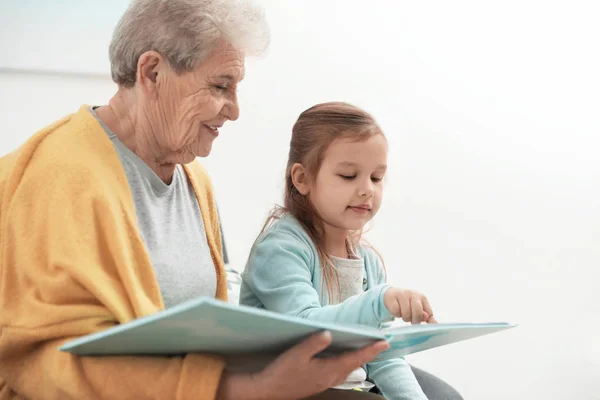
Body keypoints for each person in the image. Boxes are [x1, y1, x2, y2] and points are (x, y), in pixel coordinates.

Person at [0, 1, 390, 399]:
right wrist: (241, 390)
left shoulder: (193, 179)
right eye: (221, 86)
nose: (235, 110)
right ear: (152, 72)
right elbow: (43, 360)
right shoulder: (59, 175)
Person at [240, 102, 437, 399]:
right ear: (302, 179)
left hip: (346, 388)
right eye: (348, 176)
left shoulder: (367, 261)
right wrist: (379, 302)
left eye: (376, 177)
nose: (367, 189)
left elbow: (381, 355)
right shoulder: (280, 250)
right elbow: (309, 330)